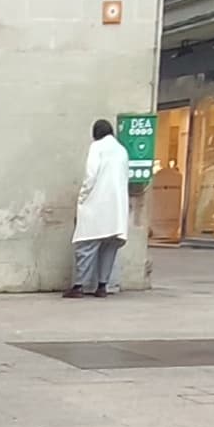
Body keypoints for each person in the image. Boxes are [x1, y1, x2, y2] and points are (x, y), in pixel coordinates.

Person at [67, 118, 130, 297]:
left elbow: (91, 175)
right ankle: (102, 286)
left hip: (97, 203)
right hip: (117, 208)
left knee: (86, 246)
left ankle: (79, 286)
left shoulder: (97, 147)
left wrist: (82, 198)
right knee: (109, 248)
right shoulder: (122, 150)